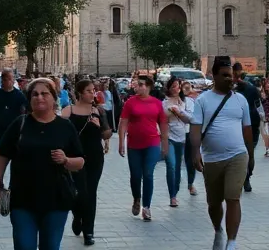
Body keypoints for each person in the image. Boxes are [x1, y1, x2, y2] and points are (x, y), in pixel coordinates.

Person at [0, 78, 84, 250]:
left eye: (44, 94)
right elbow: (3, 156)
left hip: (56, 200)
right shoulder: (20, 124)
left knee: (50, 246)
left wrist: (66, 160)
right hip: (23, 200)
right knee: (24, 245)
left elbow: (80, 161)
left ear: (54, 98)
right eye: (35, 94)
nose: (39, 97)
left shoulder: (65, 126)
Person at [190, 56, 253, 250]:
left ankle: (232, 242)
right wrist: (195, 153)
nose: (230, 79)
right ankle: (218, 229)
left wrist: (250, 156)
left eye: (232, 76)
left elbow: (247, 130)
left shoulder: (241, 100)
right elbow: (195, 129)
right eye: (225, 75)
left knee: (233, 198)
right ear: (214, 76)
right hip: (212, 158)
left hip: (237, 155)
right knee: (214, 203)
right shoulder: (202, 100)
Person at [62, 78, 110, 245]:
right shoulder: (69, 111)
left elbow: (107, 133)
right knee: (79, 192)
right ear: (80, 93)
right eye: (89, 91)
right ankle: (77, 215)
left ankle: (89, 230)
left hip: (95, 157)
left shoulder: (98, 111)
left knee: (91, 192)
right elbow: (59, 131)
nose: (92, 93)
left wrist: (99, 127)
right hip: (75, 157)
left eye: (93, 90)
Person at [117, 74, 168, 221]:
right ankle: (136, 199)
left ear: (148, 87)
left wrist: (164, 143)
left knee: (148, 174)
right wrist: (121, 142)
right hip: (134, 144)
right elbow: (123, 122)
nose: (137, 87)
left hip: (152, 142)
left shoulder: (157, 103)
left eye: (140, 84)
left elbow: (163, 124)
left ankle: (147, 207)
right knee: (136, 175)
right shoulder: (130, 103)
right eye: (137, 84)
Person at [0, 68, 28, 169]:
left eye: (9, 79)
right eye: (4, 79)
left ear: (13, 80)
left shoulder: (19, 96)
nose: (6, 81)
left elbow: (25, 113)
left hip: (14, 134)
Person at [161, 76, 194, 208]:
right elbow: (162, 119)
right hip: (169, 137)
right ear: (169, 88)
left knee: (179, 166)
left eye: (178, 86)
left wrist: (179, 112)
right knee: (171, 165)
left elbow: (190, 119)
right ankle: (172, 196)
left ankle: (178, 189)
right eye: (173, 86)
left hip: (182, 137)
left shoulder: (187, 102)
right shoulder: (164, 103)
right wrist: (170, 112)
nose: (176, 89)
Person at [230, 62, 261, 193]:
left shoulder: (233, 90)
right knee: (248, 154)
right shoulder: (251, 88)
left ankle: (244, 177)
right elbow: (258, 105)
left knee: (243, 154)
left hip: (240, 125)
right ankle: (246, 178)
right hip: (250, 124)